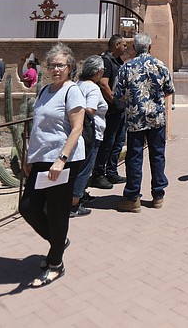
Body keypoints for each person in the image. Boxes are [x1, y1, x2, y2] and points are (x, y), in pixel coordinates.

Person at [18, 43, 85, 287]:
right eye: (52, 65)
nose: (56, 69)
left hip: (62, 161)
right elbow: (38, 127)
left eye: (60, 65)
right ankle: (59, 242)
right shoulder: (45, 90)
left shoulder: (72, 91)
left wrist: (62, 159)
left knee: (57, 211)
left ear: (70, 67)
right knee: (28, 206)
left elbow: (77, 127)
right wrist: (29, 155)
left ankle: (56, 263)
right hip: (41, 158)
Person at [112, 33, 175, 212]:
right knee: (157, 155)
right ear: (150, 47)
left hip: (134, 118)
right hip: (156, 118)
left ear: (134, 48)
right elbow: (169, 89)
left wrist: (132, 99)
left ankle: (133, 197)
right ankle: (158, 195)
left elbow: (118, 93)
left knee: (134, 157)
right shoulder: (160, 65)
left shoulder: (126, 67)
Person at [71, 55, 108, 216]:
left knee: (78, 166)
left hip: (77, 133)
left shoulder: (77, 84)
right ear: (98, 72)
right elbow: (90, 110)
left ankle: (80, 194)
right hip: (90, 133)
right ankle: (74, 204)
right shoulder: (92, 88)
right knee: (85, 169)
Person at [90, 34, 128, 189]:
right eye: (124, 45)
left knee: (118, 142)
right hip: (111, 110)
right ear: (117, 44)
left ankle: (111, 171)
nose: (126, 47)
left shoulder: (118, 61)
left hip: (120, 109)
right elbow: (104, 84)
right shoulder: (106, 61)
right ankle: (98, 174)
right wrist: (116, 102)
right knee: (108, 142)